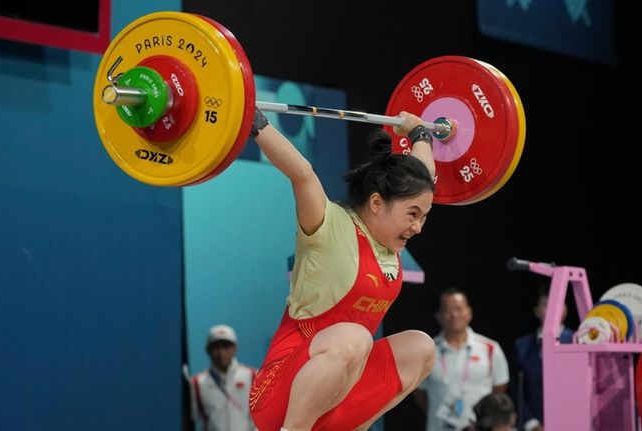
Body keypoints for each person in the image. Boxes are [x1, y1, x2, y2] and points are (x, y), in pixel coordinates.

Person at [247, 108, 437, 431]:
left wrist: (421, 135)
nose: (418, 227)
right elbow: (302, 173)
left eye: (424, 216)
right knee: (356, 338)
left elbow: (423, 175)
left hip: (338, 392)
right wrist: (251, 117)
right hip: (280, 392)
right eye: (413, 214)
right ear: (377, 203)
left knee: (422, 348)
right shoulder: (330, 226)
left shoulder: (389, 243)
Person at [413, 288, 510, 431]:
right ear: (439, 316)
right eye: (447, 310)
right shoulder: (428, 351)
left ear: (469, 312)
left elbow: (500, 388)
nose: (454, 315)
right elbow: (419, 391)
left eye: (459, 309)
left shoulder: (490, 348)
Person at [510, 284, 574, 431]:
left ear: (566, 308)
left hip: (571, 423)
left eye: (558, 304)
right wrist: (532, 424)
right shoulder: (521, 346)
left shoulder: (577, 341)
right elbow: (516, 389)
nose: (553, 310)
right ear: (536, 311)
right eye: (546, 305)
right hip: (533, 425)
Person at [183, 324, 258, 431]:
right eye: (216, 347)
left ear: (235, 348)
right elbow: (191, 420)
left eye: (226, 346)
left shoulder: (253, 376)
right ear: (208, 350)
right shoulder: (197, 384)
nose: (221, 352)